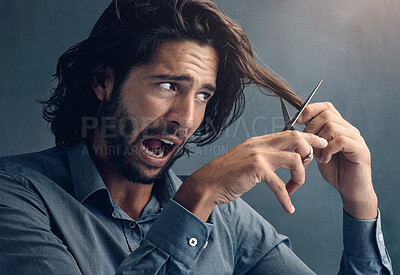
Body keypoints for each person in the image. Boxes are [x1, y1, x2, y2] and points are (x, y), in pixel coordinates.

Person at [0, 0, 393, 274]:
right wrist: (195, 199)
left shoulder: (228, 219)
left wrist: (359, 203)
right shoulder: (17, 197)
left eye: (203, 94)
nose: (185, 118)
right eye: (169, 85)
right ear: (104, 81)